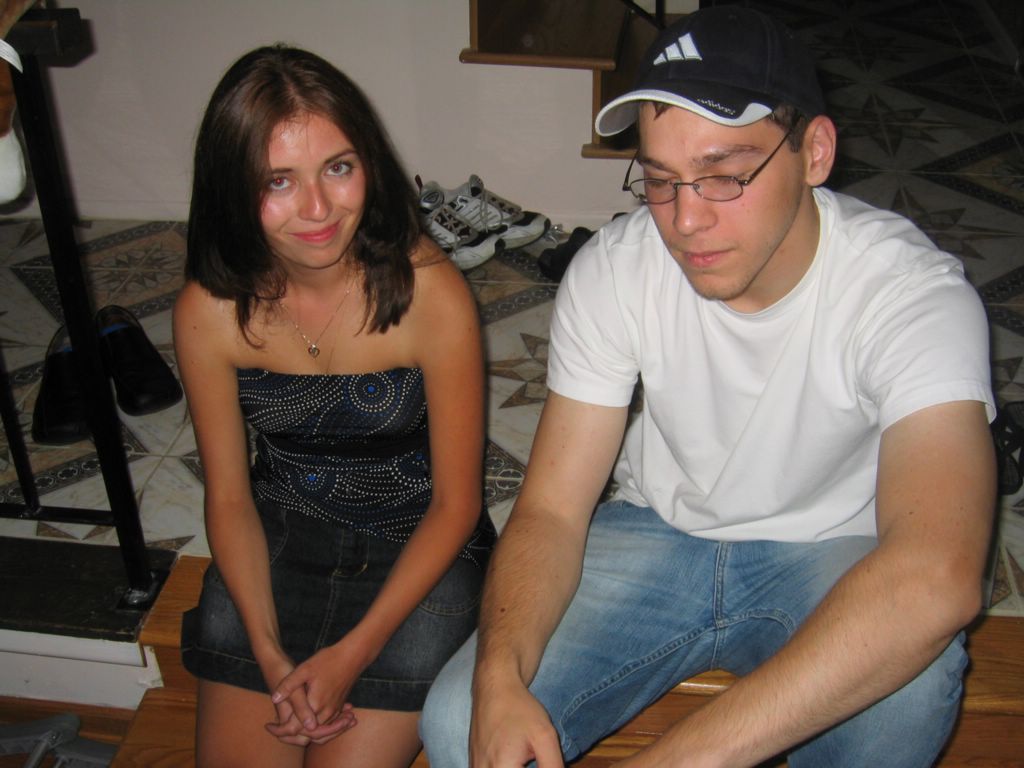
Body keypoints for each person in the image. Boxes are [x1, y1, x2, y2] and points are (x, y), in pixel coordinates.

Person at [420, 7, 995, 767]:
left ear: (815, 152)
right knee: (460, 723)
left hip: (833, 551)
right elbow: (553, 509)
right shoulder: (616, 269)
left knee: (908, 695)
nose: (686, 220)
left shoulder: (910, 293)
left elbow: (936, 576)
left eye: (725, 175)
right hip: (656, 527)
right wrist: (498, 676)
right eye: (661, 181)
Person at [174, 45, 494, 768]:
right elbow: (229, 497)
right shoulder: (208, 311)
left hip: (420, 551)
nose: (317, 209)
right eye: (278, 181)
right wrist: (267, 653)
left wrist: (352, 654)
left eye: (338, 168)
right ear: (230, 186)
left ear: (369, 164)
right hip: (279, 539)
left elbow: (458, 503)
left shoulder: (430, 292)